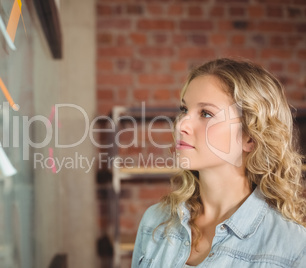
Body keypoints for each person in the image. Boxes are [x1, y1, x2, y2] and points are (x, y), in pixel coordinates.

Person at [131, 58, 306, 267]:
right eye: (184, 110)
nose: (181, 125)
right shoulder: (154, 222)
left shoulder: (292, 247)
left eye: (206, 114)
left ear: (249, 137)